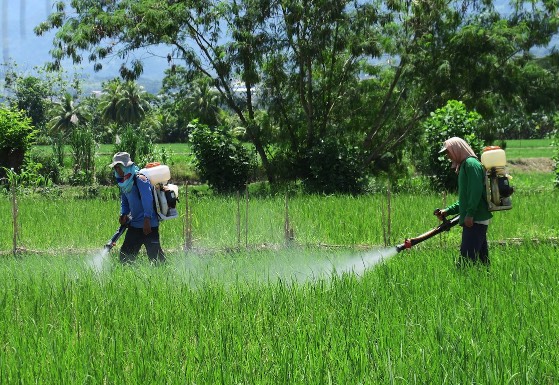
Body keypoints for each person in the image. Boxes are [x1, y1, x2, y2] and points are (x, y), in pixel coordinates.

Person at [434, 137, 492, 266]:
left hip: (475, 219)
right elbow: (465, 199)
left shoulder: (471, 164)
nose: (448, 156)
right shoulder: (465, 165)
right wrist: (448, 211)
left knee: (465, 263)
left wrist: (470, 214)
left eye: (448, 152)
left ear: (456, 149)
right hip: (475, 218)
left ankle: (466, 283)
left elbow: (475, 192)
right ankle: (485, 284)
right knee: (482, 263)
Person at [109, 152, 166, 264]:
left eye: (119, 167)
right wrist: (124, 214)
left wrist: (147, 219)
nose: (117, 170)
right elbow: (125, 201)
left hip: (149, 225)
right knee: (125, 259)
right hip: (135, 225)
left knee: (157, 260)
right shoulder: (124, 182)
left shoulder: (140, 179)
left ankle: (166, 277)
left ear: (126, 166)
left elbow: (147, 200)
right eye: (115, 167)